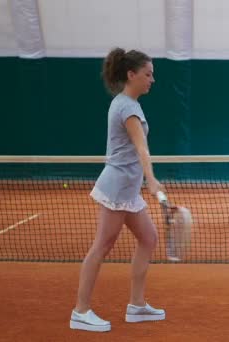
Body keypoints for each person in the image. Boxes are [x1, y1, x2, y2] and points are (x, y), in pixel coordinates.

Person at [70, 48, 165, 332]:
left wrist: (143, 181)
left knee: (148, 238)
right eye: (148, 74)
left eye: (153, 74)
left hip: (127, 189)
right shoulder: (128, 107)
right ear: (131, 74)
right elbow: (141, 148)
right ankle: (80, 311)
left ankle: (136, 305)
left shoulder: (125, 102)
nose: (152, 80)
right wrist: (152, 179)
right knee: (102, 245)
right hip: (117, 187)